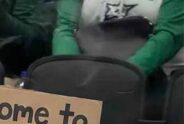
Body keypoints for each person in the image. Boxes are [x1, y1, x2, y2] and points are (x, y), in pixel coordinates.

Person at [52, 0, 184, 77]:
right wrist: (69, 72)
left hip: (157, 77)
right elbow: (65, 28)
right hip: (88, 71)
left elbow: (169, 35)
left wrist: (121, 76)